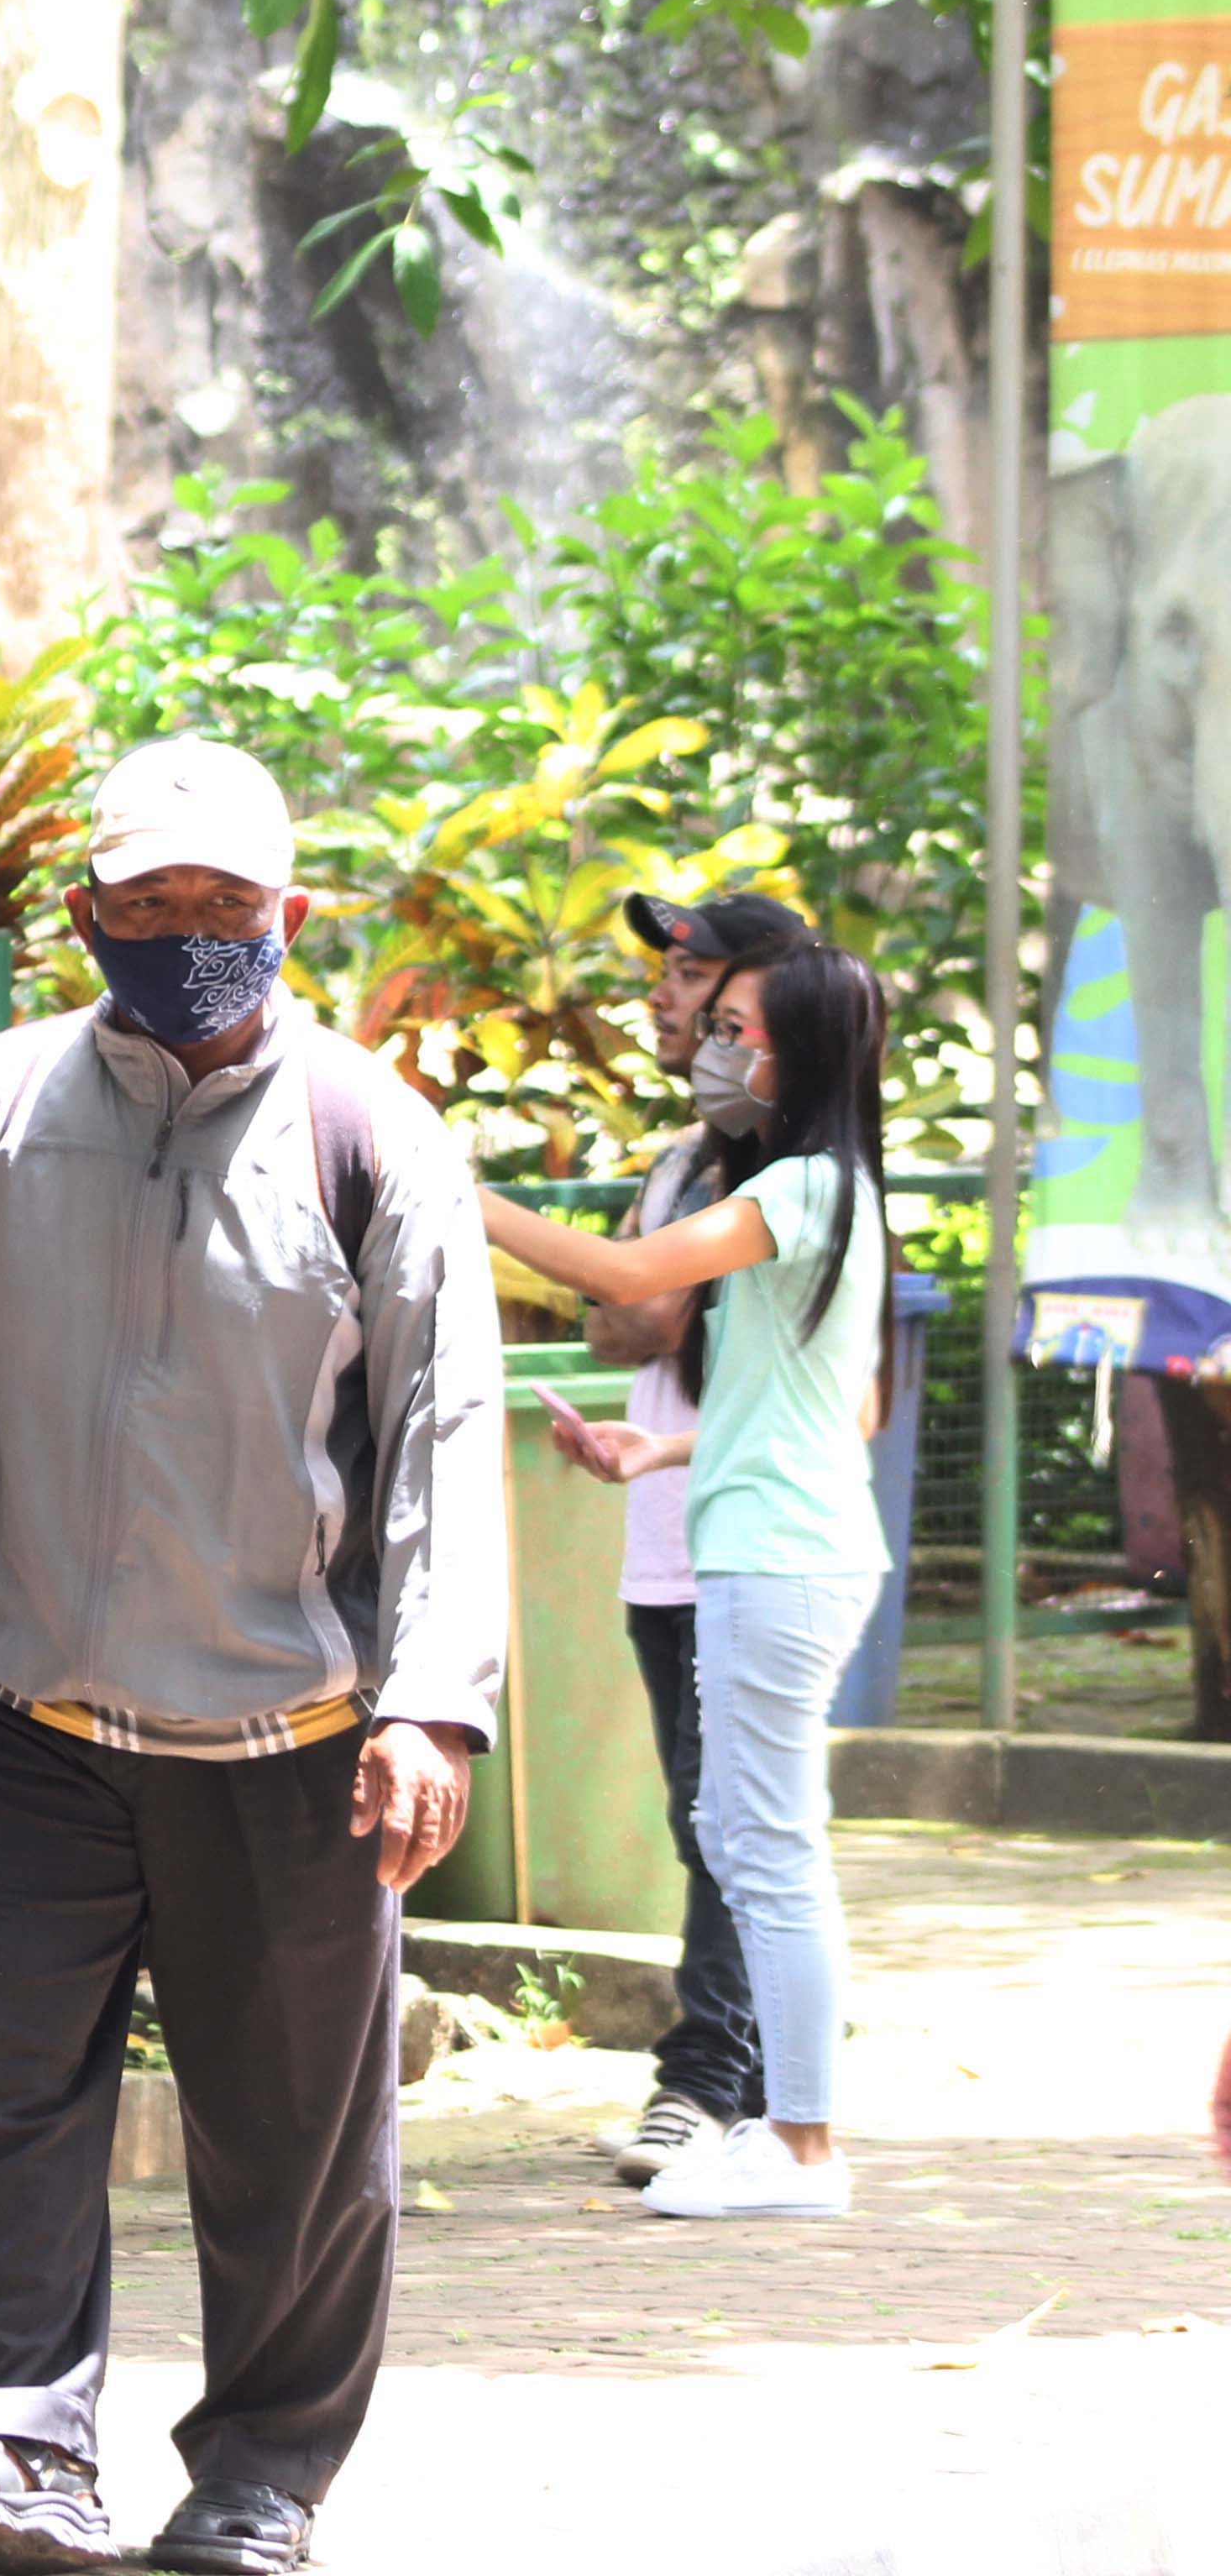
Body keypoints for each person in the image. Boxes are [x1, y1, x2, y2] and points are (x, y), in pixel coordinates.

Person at [0, 738, 502, 2576]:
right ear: (84, 913)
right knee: (1, 2102)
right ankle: (16, 2444)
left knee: (292, 2141)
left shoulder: (374, 1138)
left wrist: (432, 1703)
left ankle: (263, 2479)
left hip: (292, 1735)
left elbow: (443, 1439)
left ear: (291, 915)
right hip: (19, 1713)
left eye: (223, 903)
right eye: (147, 901)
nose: (186, 930)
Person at [483, 939, 897, 2227]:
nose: (712, 1048)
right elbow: (808, 1411)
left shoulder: (809, 1188)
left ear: (800, 1050)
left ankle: (802, 2147)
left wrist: (454, 1189)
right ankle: (781, 2135)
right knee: (740, 1838)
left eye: (734, 1028)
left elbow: (623, 1276)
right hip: (766, 1544)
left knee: (768, 1852)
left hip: (782, 1558)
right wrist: (654, 1448)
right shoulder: (814, 1193)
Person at [584, 890, 811, 2182]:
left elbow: (642, 1305)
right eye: (673, 979)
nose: (667, 1000)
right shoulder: (684, 1159)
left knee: (730, 1820)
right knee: (708, 1822)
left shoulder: (790, 1174)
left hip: (751, 1546)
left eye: (698, 982)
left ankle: (706, 2083)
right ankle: (771, 2094)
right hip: (667, 1530)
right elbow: (626, 1319)